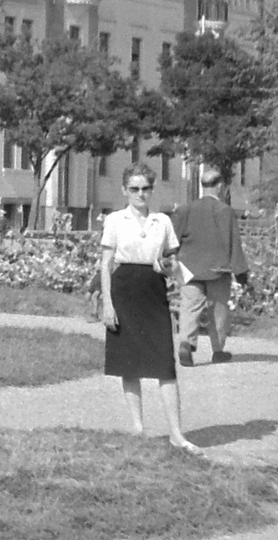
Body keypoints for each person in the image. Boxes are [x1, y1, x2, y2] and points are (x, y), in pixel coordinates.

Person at [100, 161, 200, 453]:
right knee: (128, 362)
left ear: (152, 190)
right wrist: (107, 303)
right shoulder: (115, 220)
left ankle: (176, 434)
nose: (140, 194)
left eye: (145, 188)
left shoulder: (162, 222)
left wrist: (168, 267)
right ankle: (137, 428)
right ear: (124, 190)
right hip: (124, 289)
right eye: (134, 189)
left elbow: (172, 260)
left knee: (164, 364)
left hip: (153, 291)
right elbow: (106, 264)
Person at [173, 165, 249, 366]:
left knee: (190, 307)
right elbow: (234, 243)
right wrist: (241, 273)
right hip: (218, 269)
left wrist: (172, 260)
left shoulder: (185, 209)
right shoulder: (225, 211)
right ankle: (218, 350)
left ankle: (186, 344)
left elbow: (174, 240)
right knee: (218, 310)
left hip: (189, 269)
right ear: (220, 186)